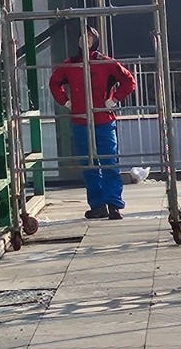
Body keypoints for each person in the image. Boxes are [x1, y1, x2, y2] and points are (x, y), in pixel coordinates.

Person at [49, 28, 137, 220]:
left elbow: (129, 81)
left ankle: (113, 203)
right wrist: (66, 102)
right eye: (82, 36)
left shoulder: (105, 62)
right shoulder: (70, 64)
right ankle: (97, 205)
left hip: (103, 120)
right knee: (89, 164)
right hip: (81, 121)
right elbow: (54, 83)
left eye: (89, 36)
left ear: (95, 40)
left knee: (109, 162)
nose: (85, 39)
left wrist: (114, 100)